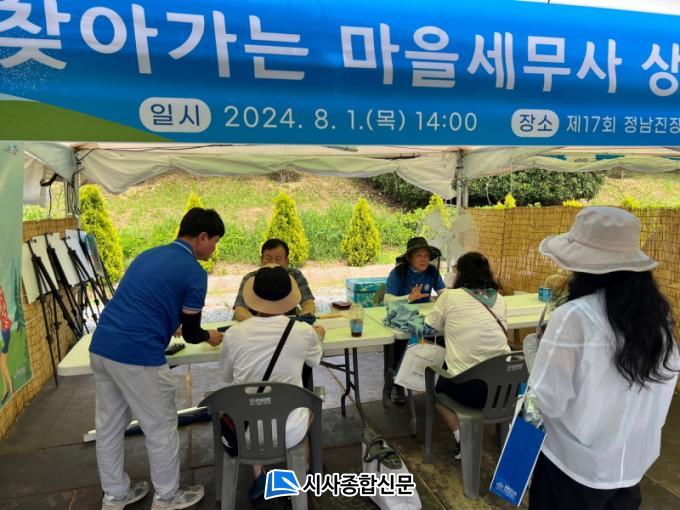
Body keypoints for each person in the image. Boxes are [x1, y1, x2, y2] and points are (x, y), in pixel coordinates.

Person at [526, 207, 679, 509]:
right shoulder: (659, 323)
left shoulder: (574, 317)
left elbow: (545, 400)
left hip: (571, 468)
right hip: (630, 469)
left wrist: (534, 354)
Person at [89, 207, 225, 510]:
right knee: (161, 427)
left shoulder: (148, 255)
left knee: (109, 428)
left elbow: (141, 301)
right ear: (202, 237)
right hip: (138, 355)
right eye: (215, 242)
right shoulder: (194, 272)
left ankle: (115, 495)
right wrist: (210, 336)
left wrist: (168, 320)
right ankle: (167, 497)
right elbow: (192, 333)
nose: (214, 249)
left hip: (102, 347)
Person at [219, 265, 324, 501]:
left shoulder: (234, 334)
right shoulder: (303, 331)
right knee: (308, 403)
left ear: (253, 299)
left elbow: (226, 378)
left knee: (249, 401)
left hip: (244, 433)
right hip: (290, 431)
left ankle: (260, 476)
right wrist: (319, 337)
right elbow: (315, 360)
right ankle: (302, 473)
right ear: (289, 299)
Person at [424, 252, 510, 458]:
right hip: (504, 389)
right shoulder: (499, 299)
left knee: (437, 393)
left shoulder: (450, 297)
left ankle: (462, 438)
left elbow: (429, 328)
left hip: (470, 390)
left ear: (461, 273)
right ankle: (503, 438)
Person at [385, 237, 446, 404]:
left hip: (425, 317)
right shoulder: (399, 273)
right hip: (402, 318)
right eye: (419, 255)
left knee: (444, 338)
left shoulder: (432, 272)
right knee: (400, 343)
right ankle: (398, 385)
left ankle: (438, 382)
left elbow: (444, 294)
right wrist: (409, 297)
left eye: (426, 256)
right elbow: (387, 300)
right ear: (409, 258)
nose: (424, 259)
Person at [232, 239, 315, 321]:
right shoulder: (250, 278)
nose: (272, 262)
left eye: (278, 259)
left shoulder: (295, 275)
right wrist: (259, 324)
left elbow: (308, 302)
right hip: (257, 324)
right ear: (261, 259)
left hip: (287, 322)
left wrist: (303, 319)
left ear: (286, 261)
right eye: (268, 258)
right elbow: (240, 309)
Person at [0, 285, 13, 405]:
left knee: (2, 364)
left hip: (3, 332)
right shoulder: (1, 292)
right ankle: (5, 389)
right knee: (1, 363)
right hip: (5, 330)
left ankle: (9, 385)